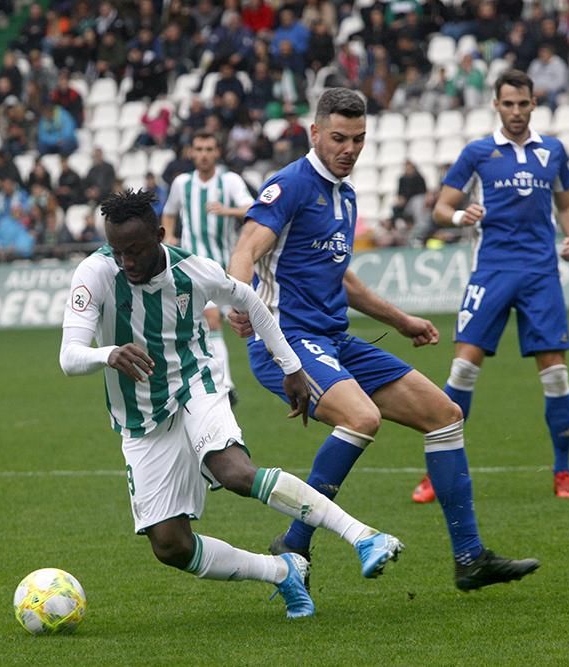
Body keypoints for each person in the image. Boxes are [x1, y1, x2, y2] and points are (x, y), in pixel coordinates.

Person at [227, 88, 540, 591]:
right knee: (362, 417)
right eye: (338, 138)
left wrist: (401, 321)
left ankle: (470, 558)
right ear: (314, 133)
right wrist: (238, 302)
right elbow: (246, 249)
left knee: (444, 417)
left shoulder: (345, 196)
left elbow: (342, 278)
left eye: (358, 139)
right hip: (284, 341)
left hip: (333, 339)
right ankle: (294, 539)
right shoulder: (289, 187)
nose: (348, 149)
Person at [60, 188, 405, 619]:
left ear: (161, 236)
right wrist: (107, 353)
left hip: (195, 384)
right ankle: (282, 571)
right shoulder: (94, 273)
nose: (127, 261)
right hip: (141, 417)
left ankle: (364, 537)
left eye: (136, 250)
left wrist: (291, 365)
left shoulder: (194, 271)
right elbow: (69, 356)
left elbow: (249, 300)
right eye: (118, 251)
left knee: (236, 471)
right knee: (171, 546)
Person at [410, 70, 569, 504]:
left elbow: (567, 205)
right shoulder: (479, 152)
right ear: (496, 105)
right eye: (508, 104)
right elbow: (441, 208)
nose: (516, 112)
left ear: (533, 104)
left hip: (541, 272)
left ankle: (562, 471)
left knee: (556, 375)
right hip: (492, 271)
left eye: (523, 104)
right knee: (463, 370)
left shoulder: (554, 152)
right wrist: (457, 217)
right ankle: (437, 472)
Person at [161, 132, 255, 404]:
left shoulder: (229, 181)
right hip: (193, 267)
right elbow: (169, 211)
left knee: (236, 323)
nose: (203, 154)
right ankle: (224, 383)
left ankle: (221, 379)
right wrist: (168, 237)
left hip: (226, 265)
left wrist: (227, 211)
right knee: (210, 321)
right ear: (192, 152)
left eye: (209, 148)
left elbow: (252, 208)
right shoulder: (182, 183)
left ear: (217, 152)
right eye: (199, 148)